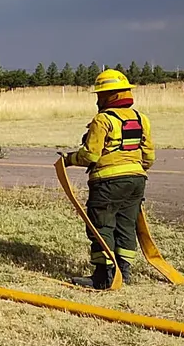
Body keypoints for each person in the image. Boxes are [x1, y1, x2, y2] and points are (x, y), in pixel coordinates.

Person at [61, 69, 155, 289]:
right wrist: (133, 169)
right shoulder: (141, 119)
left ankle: (104, 276)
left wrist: (68, 159)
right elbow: (149, 156)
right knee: (126, 225)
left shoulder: (103, 120)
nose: (97, 100)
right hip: (137, 180)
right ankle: (124, 272)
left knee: (101, 225)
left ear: (109, 96)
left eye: (100, 95)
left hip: (108, 183)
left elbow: (90, 155)